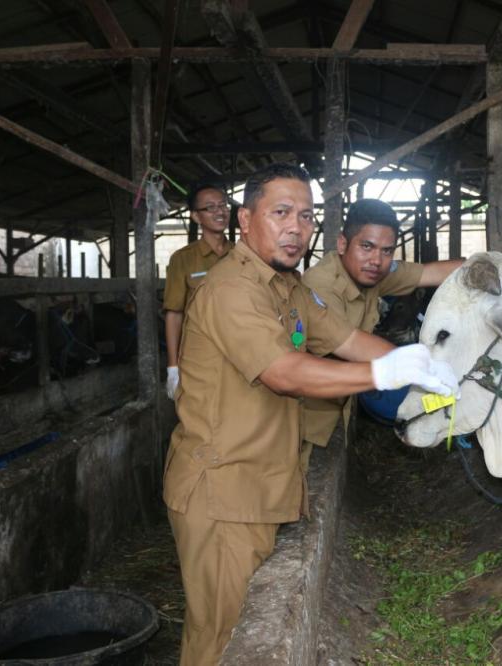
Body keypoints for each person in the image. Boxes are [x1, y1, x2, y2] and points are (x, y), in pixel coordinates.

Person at [162, 163, 457, 666]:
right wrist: (382, 375)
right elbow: (284, 372)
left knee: (240, 629)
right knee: (221, 639)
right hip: (223, 491)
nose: (296, 227)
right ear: (245, 219)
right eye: (281, 213)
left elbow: (343, 339)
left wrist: (417, 362)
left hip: (262, 482)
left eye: (306, 215)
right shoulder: (231, 289)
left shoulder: (289, 287)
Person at [300, 198, 464, 461]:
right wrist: (424, 364)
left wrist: (500, 264)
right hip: (305, 415)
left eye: (387, 251)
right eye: (367, 246)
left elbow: (430, 273)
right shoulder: (321, 284)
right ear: (343, 244)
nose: (376, 260)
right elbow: (350, 343)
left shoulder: (371, 272)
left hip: (336, 406)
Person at [163, 184, 233, 400]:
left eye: (223, 205)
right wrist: (173, 367)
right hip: (200, 359)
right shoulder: (183, 259)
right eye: (210, 207)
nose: (220, 211)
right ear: (196, 216)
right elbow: (174, 313)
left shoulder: (243, 256)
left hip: (239, 356)